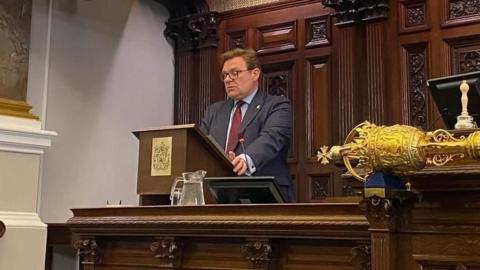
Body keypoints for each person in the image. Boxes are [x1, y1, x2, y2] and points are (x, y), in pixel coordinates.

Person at [200, 48, 295, 202]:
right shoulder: (214, 111)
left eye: (235, 73)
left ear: (254, 74)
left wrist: (245, 159)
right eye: (225, 75)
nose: (228, 79)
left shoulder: (277, 105)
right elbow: (202, 147)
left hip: (266, 196)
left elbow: (271, 138)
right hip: (221, 196)